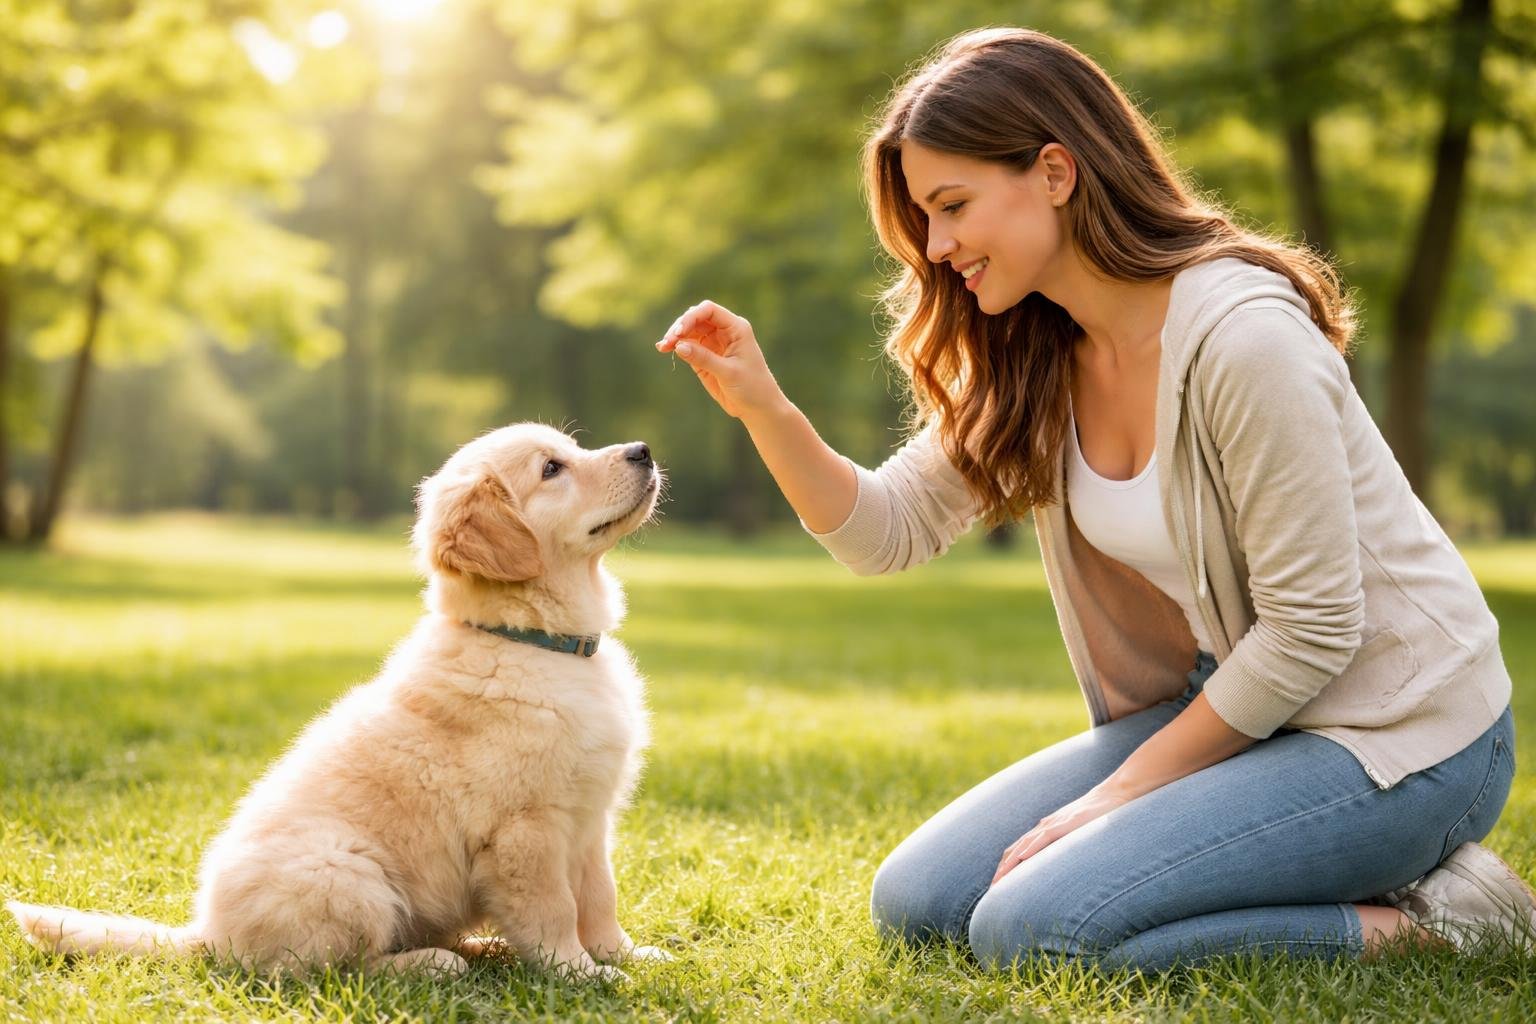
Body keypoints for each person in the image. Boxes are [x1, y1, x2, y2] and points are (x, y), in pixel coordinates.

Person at [653, 26, 1531, 972]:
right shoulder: (1042, 351)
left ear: (1056, 173)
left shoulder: (1245, 342)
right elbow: (883, 533)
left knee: (1031, 929)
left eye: (953, 206)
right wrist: (763, 405)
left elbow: (1312, 630)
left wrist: (1116, 797)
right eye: (926, 219)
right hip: (1245, 707)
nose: (938, 247)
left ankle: (1454, 919)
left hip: (1402, 733)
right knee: (920, 902)